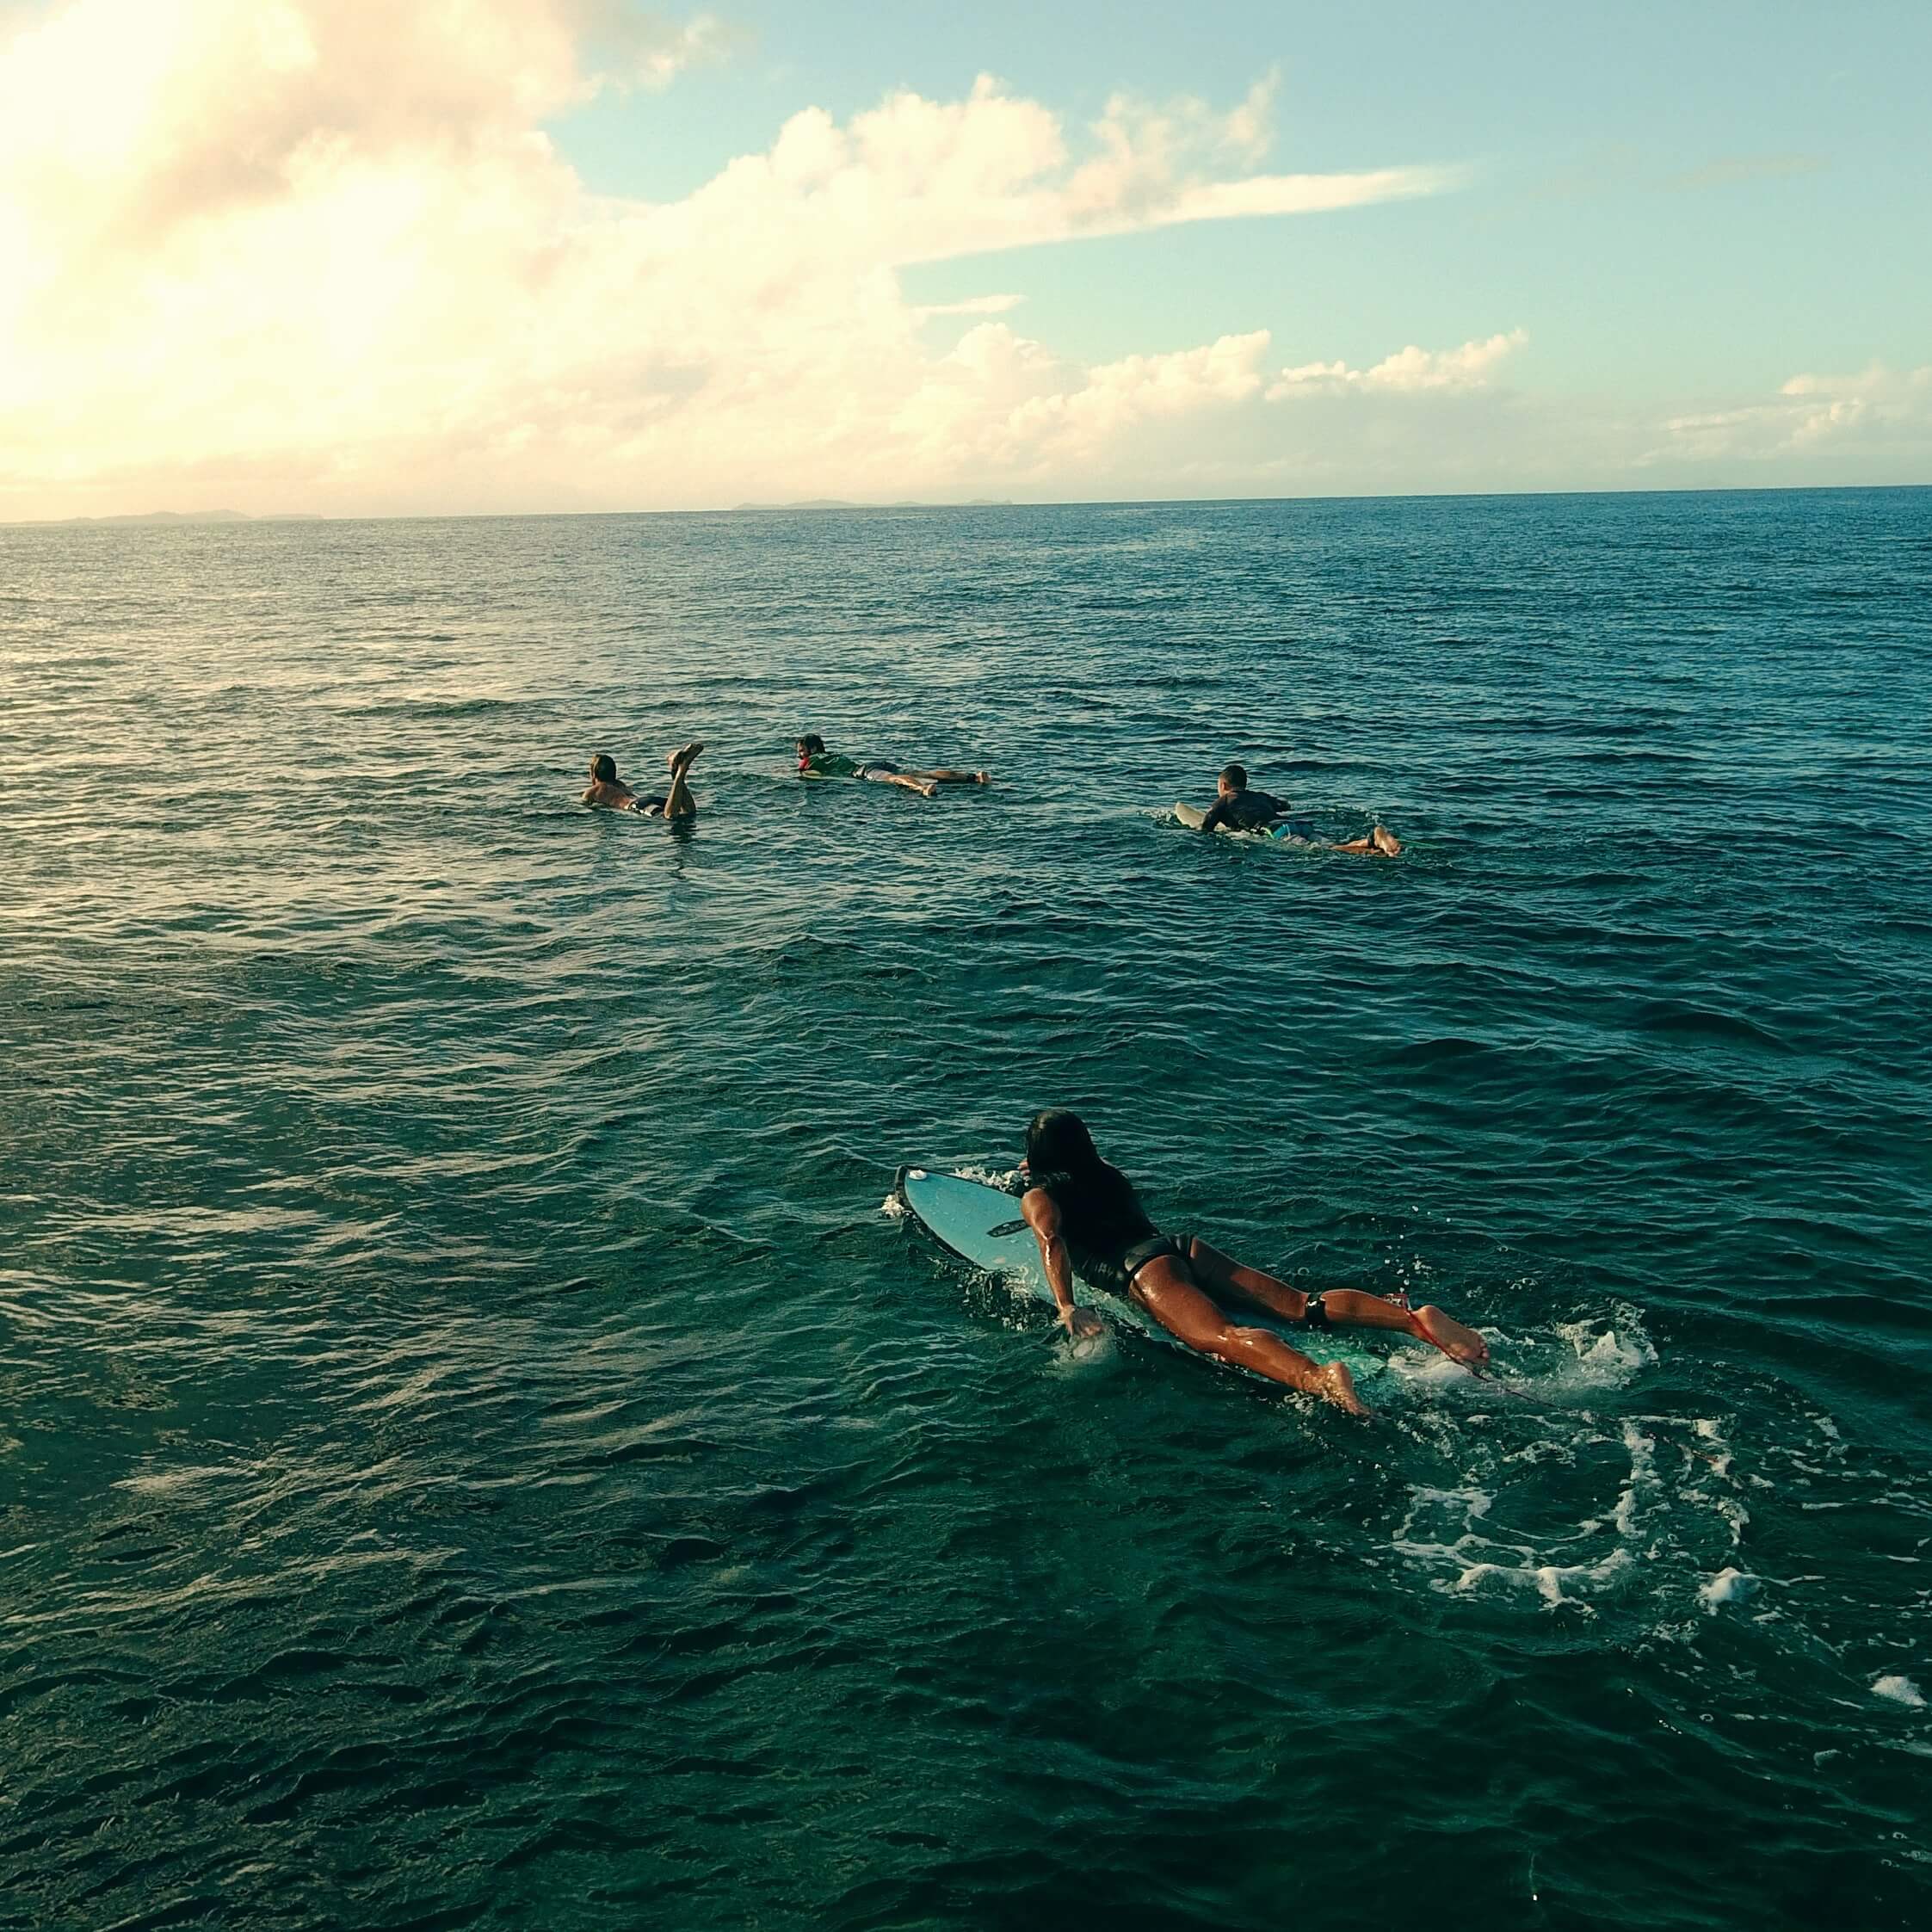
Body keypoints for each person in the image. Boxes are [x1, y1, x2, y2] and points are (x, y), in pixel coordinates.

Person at [1015, 1109, 1487, 1415]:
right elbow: (1078, 1184)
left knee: (1221, 1338)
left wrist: (1066, 1305)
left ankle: (1318, 1377)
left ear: (1036, 1157)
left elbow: (1052, 1240)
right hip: (1182, 1248)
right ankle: (1412, 1321)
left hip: (1141, 1271)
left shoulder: (1041, 1193)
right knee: (1304, 1304)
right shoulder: (1105, 1173)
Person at [1196, 763, 1400, 855]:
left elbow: (1206, 829)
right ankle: (1370, 842)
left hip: (1276, 832)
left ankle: (1372, 849)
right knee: (1334, 845)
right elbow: (1285, 805)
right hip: (1297, 825)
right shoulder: (1260, 796)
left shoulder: (1223, 801)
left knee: (1324, 852)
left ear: (1223, 786)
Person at [796, 733, 988, 799]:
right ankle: (974, 777)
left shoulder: (810, 760)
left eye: (802, 750)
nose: (799, 754)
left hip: (863, 772)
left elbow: (803, 772)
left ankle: (922, 788)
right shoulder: (834, 755)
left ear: (812, 749)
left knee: (893, 779)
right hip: (872, 763)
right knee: (923, 772)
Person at [581, 741, 702, 819]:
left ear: (593, 773)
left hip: (636, 806)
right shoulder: (620, 785)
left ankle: (681, 770)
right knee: (689, 812)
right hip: (647, 799)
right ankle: (677, 770)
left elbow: (585, 804)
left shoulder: (594, 791)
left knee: (670, 816)